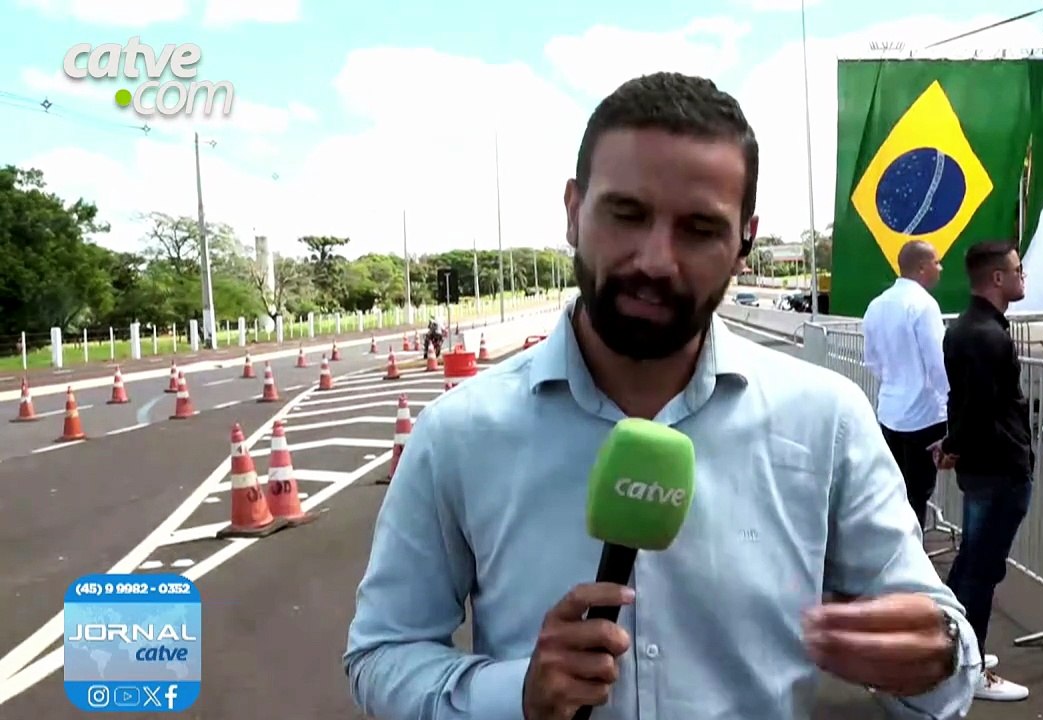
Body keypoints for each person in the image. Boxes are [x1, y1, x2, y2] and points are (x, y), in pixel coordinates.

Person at [344, 72, 981, 720]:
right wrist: (518, 693)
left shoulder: (827, 422)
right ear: (573, 211)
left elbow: (945, 654)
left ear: (744, 243)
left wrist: (932, 658)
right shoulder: (459, 433)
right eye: (627, 214)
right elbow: (384, 654)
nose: (655, 259)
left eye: (700, 228)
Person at [934, 240, 1033, 703]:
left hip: (988, 464)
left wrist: (954, 445)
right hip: (998, 468)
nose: (1022, 276)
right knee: (981, 568)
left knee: (973, 562)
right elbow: (977, 407)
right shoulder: (985, 335)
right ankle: (967, 669)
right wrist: (955, 444)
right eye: (1017, 270)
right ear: (997, 278)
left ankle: (954, 651)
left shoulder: (970, 328)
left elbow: (966, 403)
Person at [862, 240, 948, 529]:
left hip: (890, 412)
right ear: (922, 268)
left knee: (895, 491)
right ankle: (912, 559)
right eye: (936, 262)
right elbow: (938, 365)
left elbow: (872, 361)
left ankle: (892, 552)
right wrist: (953, 404)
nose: (940, 268)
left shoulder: (875, 305)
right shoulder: (924, 306)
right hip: (923, 416)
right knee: (917, 495)